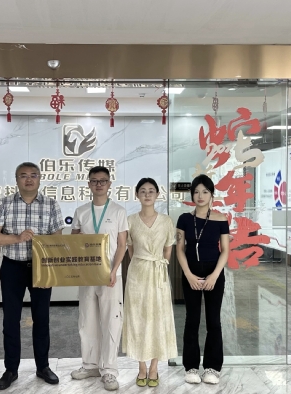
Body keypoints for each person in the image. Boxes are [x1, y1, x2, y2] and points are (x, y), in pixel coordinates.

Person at [0, 162, 65, 390]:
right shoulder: (4, 203)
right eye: (23, 176)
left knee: (42, 319)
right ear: (16, 179)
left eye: (33, 175)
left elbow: (57, 239)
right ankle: (11, 369)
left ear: (40, 178)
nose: (29, 179)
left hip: (42, 268)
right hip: (13, 267)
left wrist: (50, 263)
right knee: (10, 321)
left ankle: (43, 367)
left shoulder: (51, 204)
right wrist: (17, 238)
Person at [69, 166, 128, 391]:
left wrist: (114, 270)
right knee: (87, 321)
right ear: (89, 184)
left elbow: (122, 245)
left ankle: (110, 370)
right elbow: (74, 241)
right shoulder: (81, 211)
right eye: (94, 181)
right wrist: (80, 238)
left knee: (111, 321)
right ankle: (90, 365)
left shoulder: (118, 211)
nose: (99, 184)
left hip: (111, 275)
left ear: (109, 184)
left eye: (103, 180)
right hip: (87, 274)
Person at [122, 178, 177, 388]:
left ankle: (154, 367)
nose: (147, 194)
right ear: (137, 194)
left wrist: (159, 264)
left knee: (158, 318)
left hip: (158, 273)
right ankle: (141, 366)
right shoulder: (130, 220)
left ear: (157, 195)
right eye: (143, 191)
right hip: (137, 273)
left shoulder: (166, 221)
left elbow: (168, 248)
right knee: (138, 317)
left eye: (151, 191)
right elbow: (130, 249)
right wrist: (143, 263)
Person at [175, 174, 230, 385]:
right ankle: (191, 367)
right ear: (192, 195)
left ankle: (212, 368)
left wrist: (214, 275)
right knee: (192, 320)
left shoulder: (221, 219)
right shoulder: (184, 219)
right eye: (196, 192)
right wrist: (188, 274)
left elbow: (225, 250)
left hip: (214, 273)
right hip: (191, 273)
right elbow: (180, 249)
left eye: (205, 191)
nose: (200, 195)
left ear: (211, 195)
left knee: (213, 321)